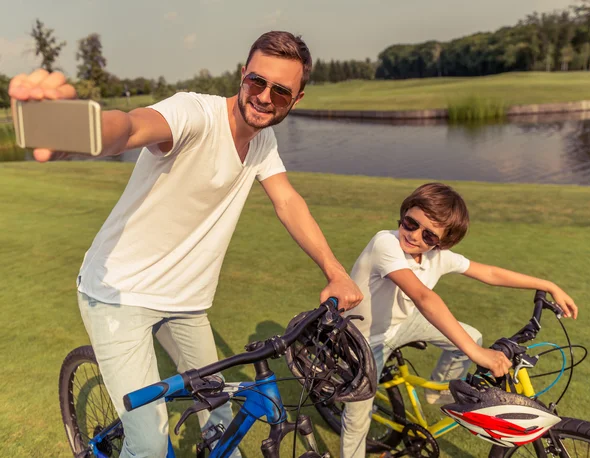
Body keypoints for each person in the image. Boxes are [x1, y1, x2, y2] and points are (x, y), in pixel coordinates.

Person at [9, 31, 364, 458]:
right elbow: (130, 127)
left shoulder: (263, 141)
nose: (265, 97)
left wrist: (335, 270)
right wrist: (80, 131)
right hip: (119, 295)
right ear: (242, 75)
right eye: (257, 81)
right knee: (149, 445)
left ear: (297, 98)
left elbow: (288, 201)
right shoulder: (195, 113)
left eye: (281, 91)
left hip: (187, 303)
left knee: (222, 424)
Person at [340, 182, 578, 458]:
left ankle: (436, 393)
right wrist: (478, 354)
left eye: (429, 235)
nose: (415, 235)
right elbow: (424, 298)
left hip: (400, 322)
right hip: (364, 337)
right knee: (358, 418)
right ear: (404, 214)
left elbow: (489, 273)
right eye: (410, 223)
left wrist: (547, 284)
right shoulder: (386, 243)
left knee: (471, 334)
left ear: (441, 242)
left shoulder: (438, 257)